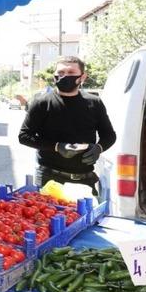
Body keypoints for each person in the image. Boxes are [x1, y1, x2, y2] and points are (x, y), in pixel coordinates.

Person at [18, 56, 116, 195]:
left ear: (82, 77)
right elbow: (24, 136)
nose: (64, 77)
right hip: (50, 179)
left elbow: (109, 135)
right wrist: (57, 147)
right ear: (54, 77)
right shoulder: (41, 103)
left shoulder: (94, 103)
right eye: (61, 73)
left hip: (85, 180)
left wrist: (98, 148)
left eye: (70, 73)